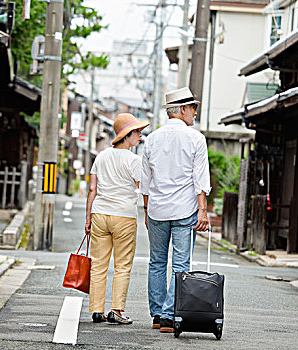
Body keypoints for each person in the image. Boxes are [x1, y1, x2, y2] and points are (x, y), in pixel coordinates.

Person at [140, 87, 211, 333]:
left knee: (157, 262)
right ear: (182, 109)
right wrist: (202, 211)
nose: (194, 112)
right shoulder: (195, 138)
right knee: (181, 263)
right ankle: (170, 316)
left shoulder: (151, 139)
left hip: (157, 210)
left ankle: (158, 314)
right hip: (184, 210)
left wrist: (147, 209)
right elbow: (200, 178)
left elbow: (145, 181)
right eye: (193, 107)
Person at [85, 113, 149, 325]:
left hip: (100, 214)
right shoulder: (134, 160)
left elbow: (92, 188)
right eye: (137, 132)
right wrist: (148, 212)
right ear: (127, 134)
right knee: (122, 265)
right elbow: (143, 189)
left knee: (98, 265)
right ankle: (116, 310)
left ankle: (96, 310)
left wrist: (88, 218)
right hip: (124, 216)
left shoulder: (101, 156)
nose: (140, 136)